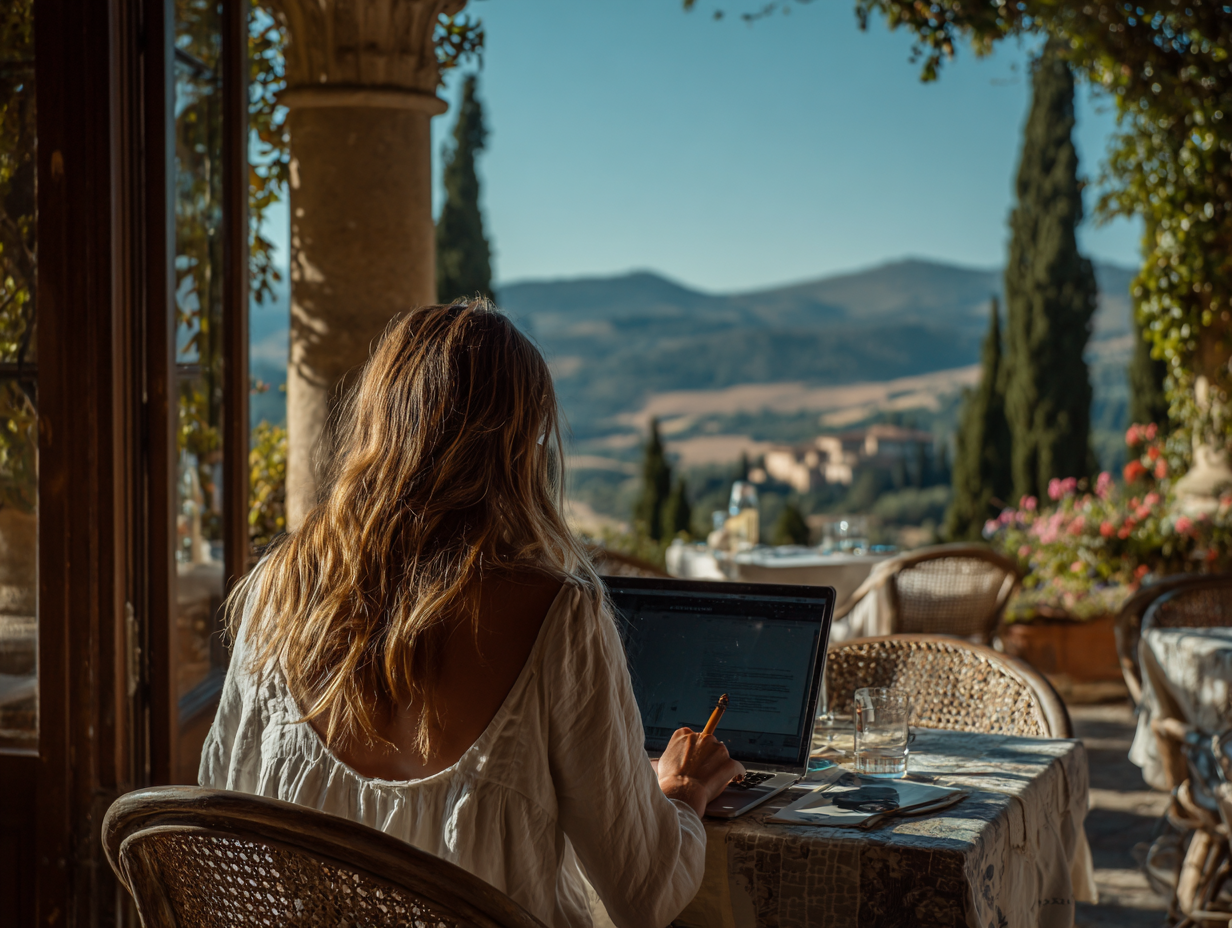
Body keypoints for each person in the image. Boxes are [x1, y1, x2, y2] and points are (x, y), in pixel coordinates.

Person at [200, 301, 744, 928]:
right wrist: (680, 793)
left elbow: (220, 817)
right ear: (520, 444)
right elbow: (642, 895)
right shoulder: (557, 615)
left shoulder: (280, 592)